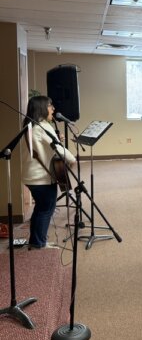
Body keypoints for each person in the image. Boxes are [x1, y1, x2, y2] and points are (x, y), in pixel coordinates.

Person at [21, 95, 76, 249]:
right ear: (42, 108)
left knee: (40, 208)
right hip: (40, 178)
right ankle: (39, 244)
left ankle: (36, 241)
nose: (53, 109)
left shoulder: (32, 125)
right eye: (50, 105)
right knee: (46, 209)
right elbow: (57, 148)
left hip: (32, 176)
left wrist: (57, 139)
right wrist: (72, 159)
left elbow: (46, 146)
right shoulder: (42, 127)